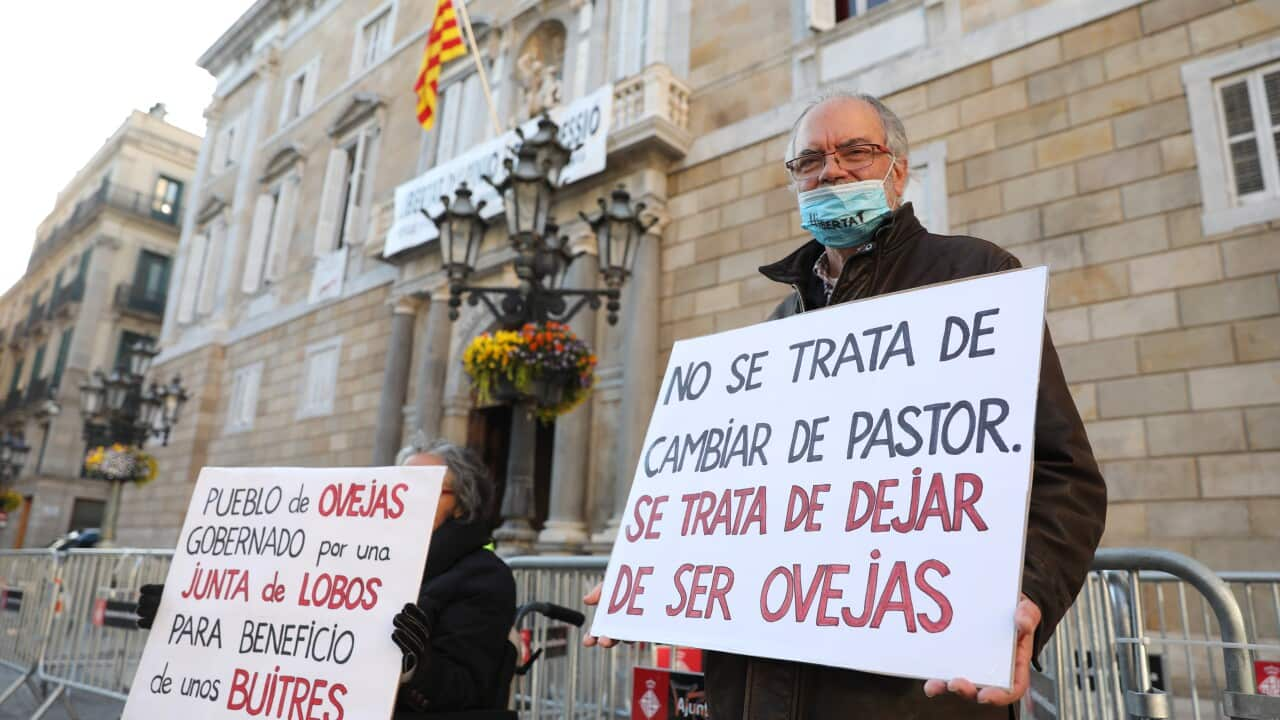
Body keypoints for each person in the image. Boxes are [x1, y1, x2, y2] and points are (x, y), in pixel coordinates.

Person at [583, 90, 1107, 719]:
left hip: (909, 694)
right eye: (810, 160)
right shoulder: (774, 332)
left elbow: (1063, 475)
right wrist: (658, 575)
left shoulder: (976, 276)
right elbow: (738, 497)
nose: (831, 170)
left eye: (856, 151)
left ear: (898, 169)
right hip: (757, 687)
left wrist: (1028, 593)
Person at [136, 438, 516, 717]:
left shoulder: (484, 578)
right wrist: (184, 617)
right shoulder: (343, 559)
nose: (406, 498)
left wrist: (414, 665)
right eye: (398, 486)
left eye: (424, 489)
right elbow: (269, 628)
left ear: (462, 502)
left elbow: (466, 690)